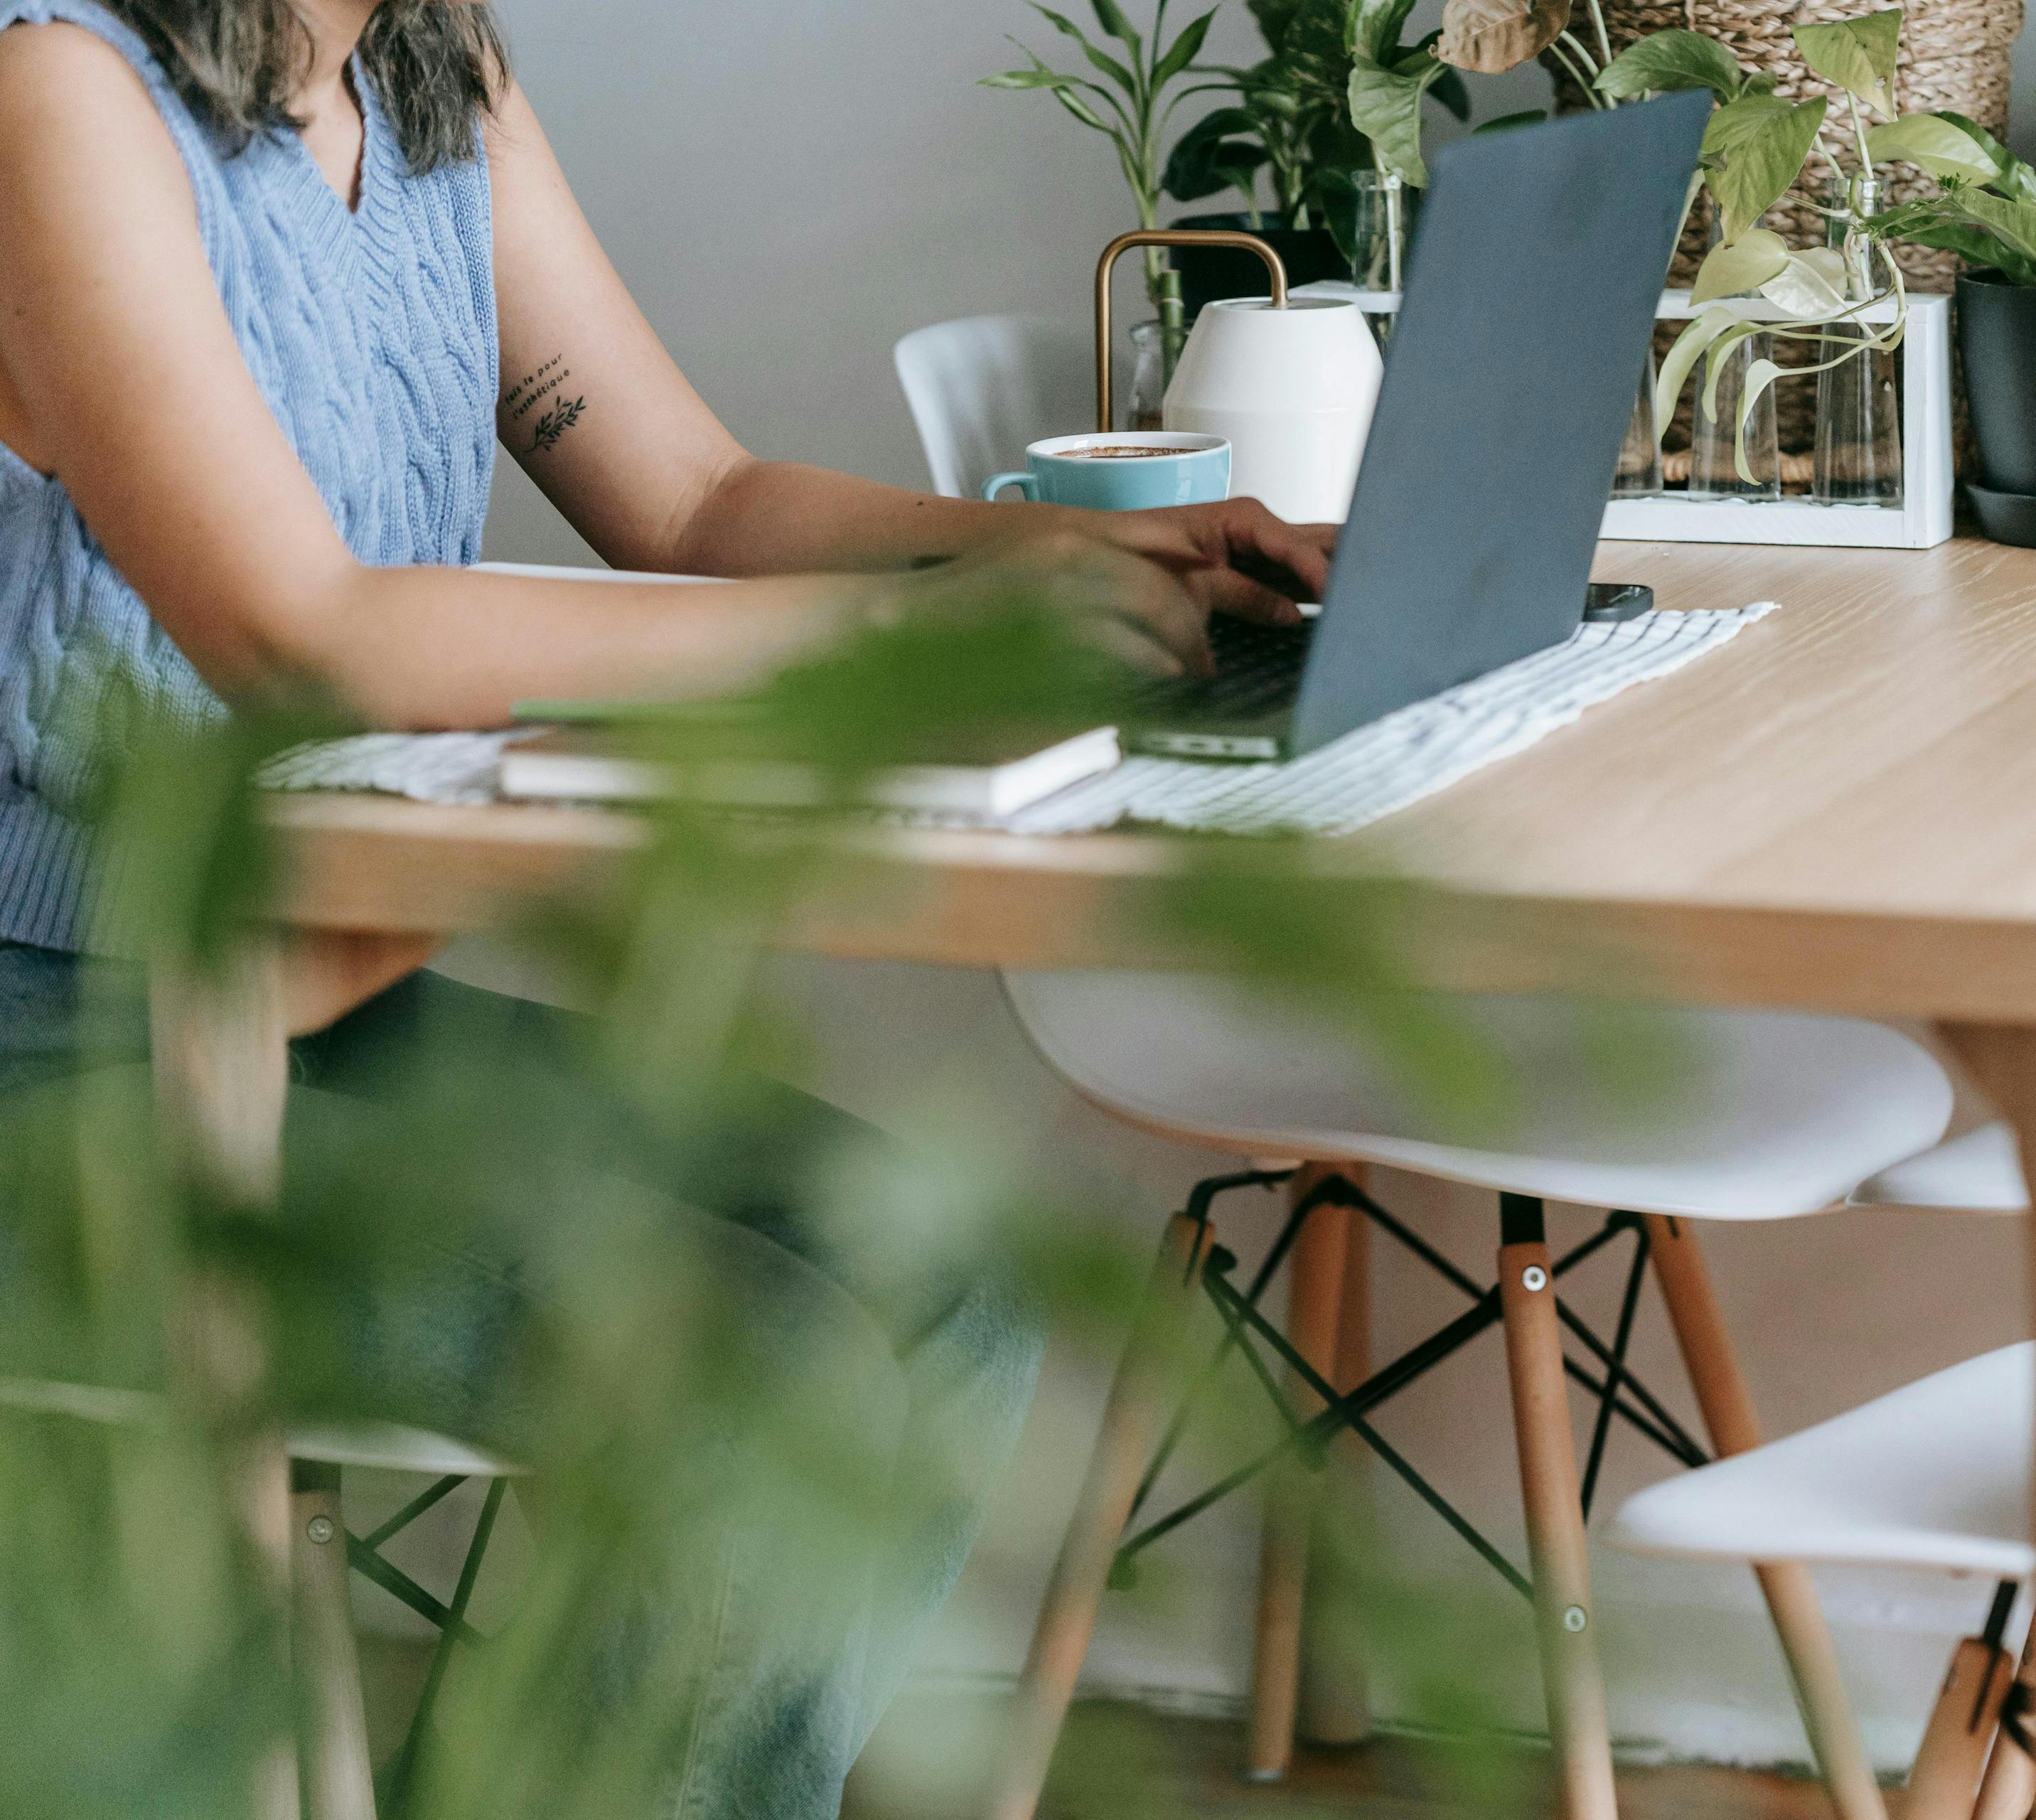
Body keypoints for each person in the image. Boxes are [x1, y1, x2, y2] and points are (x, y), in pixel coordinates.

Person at [0, 0, 1327, 1811]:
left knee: (939, 1277)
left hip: (303, 1007)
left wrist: (1079, 556)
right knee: (753, 1351)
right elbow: (304, 634)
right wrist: (906, 637)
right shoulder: (56, 93)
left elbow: (696, 498)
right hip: (55, 1049)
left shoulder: (428, 71)